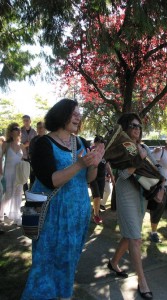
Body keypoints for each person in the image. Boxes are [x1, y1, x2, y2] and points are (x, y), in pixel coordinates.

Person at [21, 99, 105, 300]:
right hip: (51, 216)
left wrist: (94, 164)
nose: (78, 117)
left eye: (79, 113)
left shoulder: (81, 142)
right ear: (61, 115)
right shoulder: (42, 143)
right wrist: (80, 164)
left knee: (69, 260)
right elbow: (52, 180)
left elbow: (89, 178)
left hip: (76, 216)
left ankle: (63, 295)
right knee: (46, 261)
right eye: (73, 113)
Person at [108, 113, 160, 299]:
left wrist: (159, 188)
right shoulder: (119, 148)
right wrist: (138, 160)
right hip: (125, 194)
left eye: (139, 125)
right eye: (132, 125)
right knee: (135, 239)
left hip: (142, 196)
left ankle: (113, 263)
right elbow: (121, 176)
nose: (137, 128)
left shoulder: (144, 147)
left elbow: (155, 171)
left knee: (130, 234)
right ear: (124, 128)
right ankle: (142, 281)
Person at [0, 123, 25, 226]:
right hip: (8, 173)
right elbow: (0, 158)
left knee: (18, 194)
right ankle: (2, 214)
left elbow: (24, 160)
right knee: (8, 194)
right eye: (15, 129)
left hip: (19, 174)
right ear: (11, 132)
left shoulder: (22, 145)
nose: (18, 130)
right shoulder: (6, 144)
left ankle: (16, 216)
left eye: (19, 129)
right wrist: (0, 171)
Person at [90, 135, 108, 224]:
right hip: (93, 178)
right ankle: (96, 216)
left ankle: (95, 211)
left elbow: (107, 165)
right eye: (100, 142)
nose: (101, 144)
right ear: (95, 143)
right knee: (96, 196)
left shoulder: (104, 153)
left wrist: (111, 176)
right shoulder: (92, 152)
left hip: (102, 178)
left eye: (102, 142)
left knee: (99, 197)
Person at [20, 115, 37, 190]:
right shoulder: (19, 131)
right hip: (23, 156)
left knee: (32, 175)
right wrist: (24, 145)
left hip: (32, 156)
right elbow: (16, 144)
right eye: (24, 120)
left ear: (30, 121)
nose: (26, 122)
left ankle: (32, 192)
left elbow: (37, 142)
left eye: (27, 120)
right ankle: (26, 193)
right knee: (24, 176)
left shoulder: (34, 131)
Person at [29, 121, 47, 187]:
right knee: (33, 185)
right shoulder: (34, 140)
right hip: (35, 167)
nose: (40, 129)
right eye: (38, 128)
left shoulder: (50, 139)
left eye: (41, 127)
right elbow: (30, 153)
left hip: (47, 167)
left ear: (45, 128)